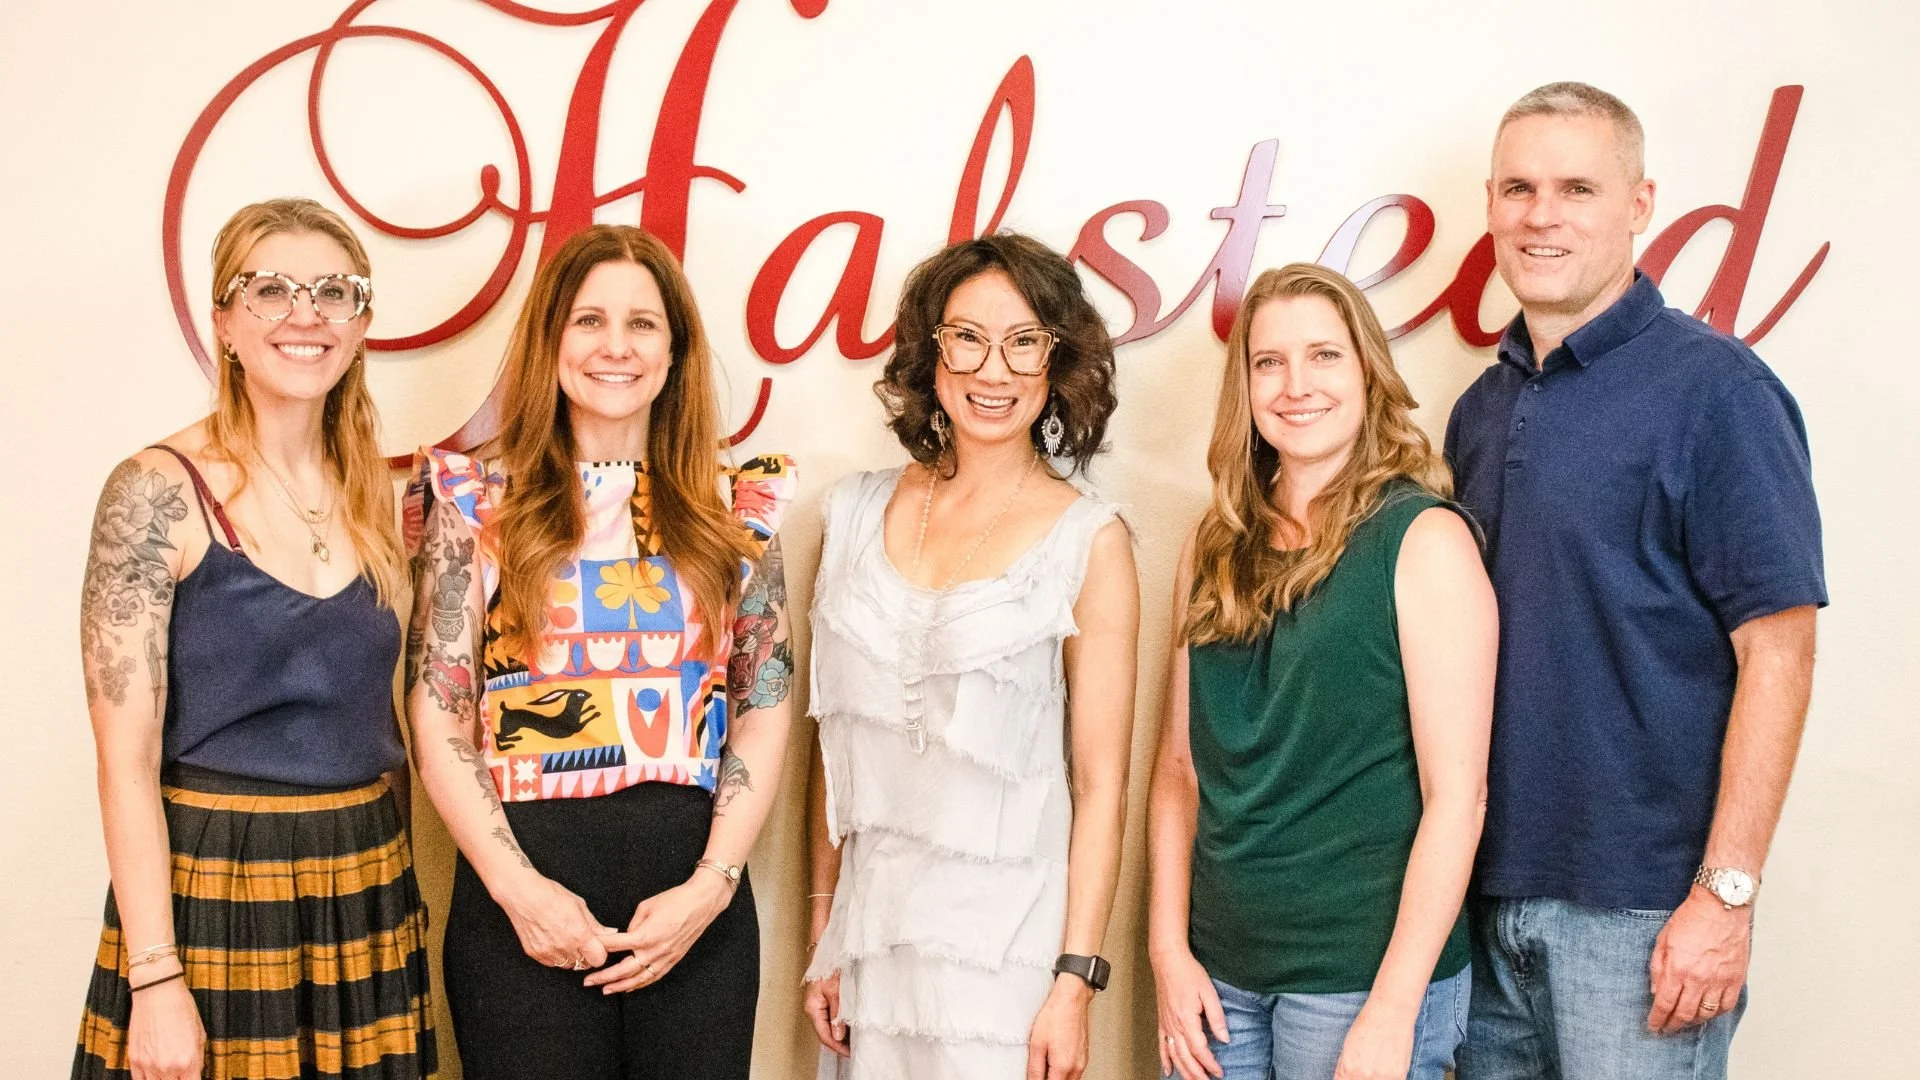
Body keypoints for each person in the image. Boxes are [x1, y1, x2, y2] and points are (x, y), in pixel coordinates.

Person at [1447, 83, 1826, 1080]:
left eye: (1577, 188)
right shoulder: (1478, 411)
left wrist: (1725, 898)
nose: (1542, 215)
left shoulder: (1719, 392)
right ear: (1491, 204)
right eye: (1519, 188)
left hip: (1645, 915)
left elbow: (1779, 654)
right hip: (1482, 904)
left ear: (1639, 204)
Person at [405, 223, 795, 1080]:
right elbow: (437, 714)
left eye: (642, 323)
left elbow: (764, 708)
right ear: (549, 341)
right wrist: (520, 892)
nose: (615, 346)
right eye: (588, 320)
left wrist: (712, 885)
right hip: (522, 902)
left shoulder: (735, 509)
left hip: (694, 904)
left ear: (674, 349)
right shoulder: (476, 504)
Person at [73, 198, 434, 1079]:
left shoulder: (374, 494)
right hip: (218, 883)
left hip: (365, 880)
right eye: (271, 289)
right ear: (225, 323)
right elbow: (125, 762)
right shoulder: (156, 491)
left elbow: (383, 722)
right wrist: (156, 979)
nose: (306, 314)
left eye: (334, 292)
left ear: (361, 325)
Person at [800, 233, 1138, 1080]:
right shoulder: (851, 513)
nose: (995, 370)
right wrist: (822, 931)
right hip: (872, 946)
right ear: (932, 350)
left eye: (1024, 341)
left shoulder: (1089, 540)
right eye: (968, 338)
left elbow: (1102, 785)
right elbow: (831, 754)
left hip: (1011, 966)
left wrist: (1075, 982)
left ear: (1058, 360)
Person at [1147, 263, 1496, 1080]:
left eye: (1325, 356)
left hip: (1362, 979)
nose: (1296, 385)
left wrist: (1394, 1009)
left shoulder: (1424, 540)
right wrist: (1167, 953)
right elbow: (1177, 772)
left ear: (1368, 371)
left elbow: (1459, 798)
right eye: (1269, 362)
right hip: (1217, 975)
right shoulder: (1212, 545)